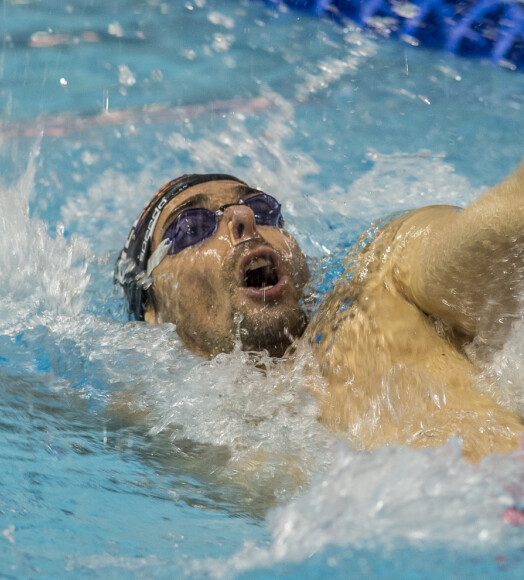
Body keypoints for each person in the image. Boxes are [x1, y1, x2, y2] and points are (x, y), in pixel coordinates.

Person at [115, 166, 524, 462]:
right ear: (154, 312)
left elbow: (495, 238)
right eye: (192, 226)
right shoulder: (182, 431)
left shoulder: (381, 280)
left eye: (262, 208)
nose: (243, 218)